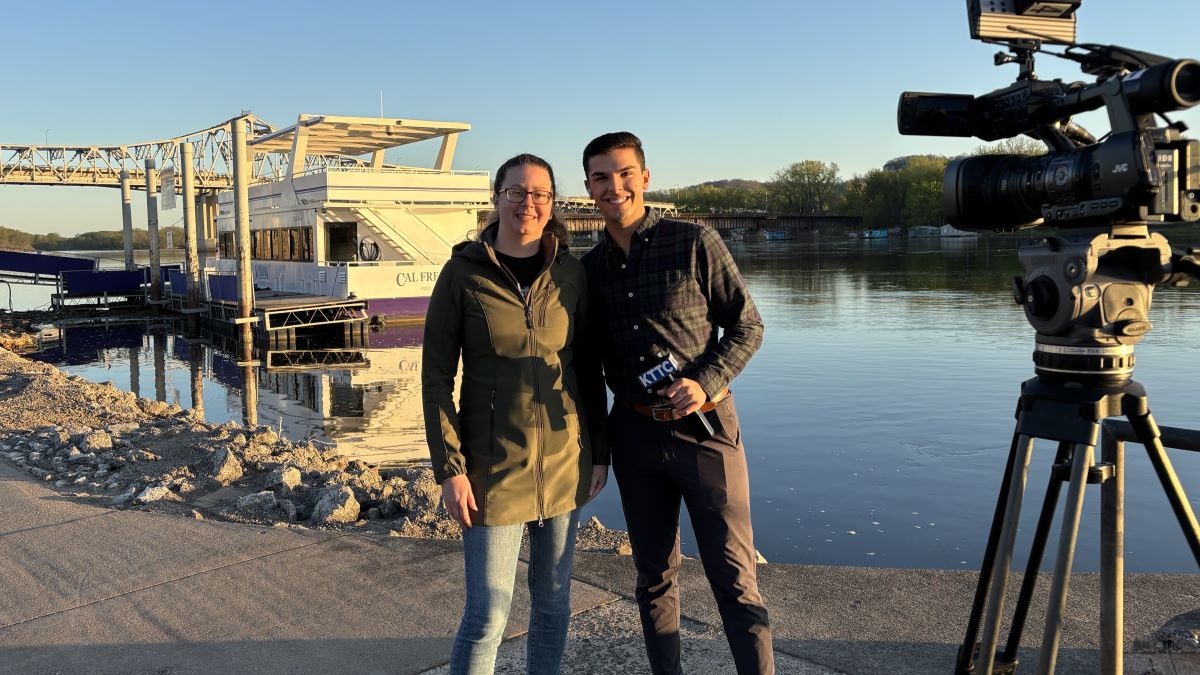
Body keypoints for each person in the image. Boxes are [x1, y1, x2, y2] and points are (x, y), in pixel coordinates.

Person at [579, 132, 774, 675]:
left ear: (644, 177)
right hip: (635, 437)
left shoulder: (694, 242)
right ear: (589, 188)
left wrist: (706, 380)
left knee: (734, 578)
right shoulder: (588, 272)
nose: (612, 186)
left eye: (623, 173)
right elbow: (588, 373)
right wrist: (598, 450)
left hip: (706, 431)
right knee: (654, 577)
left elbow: (748, 326)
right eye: (600, 177)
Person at [422, 153, 609, 675]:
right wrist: (450, 469)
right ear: (497, 197)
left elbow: (586, 368)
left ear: (553, 204)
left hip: (565, 462)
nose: (529, 203)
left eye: (540, 195)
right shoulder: (462, 274)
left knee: (552, 605)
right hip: (492, 466)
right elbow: (436, 378)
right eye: (517, 192)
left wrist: (599, 453)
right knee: (487, 614)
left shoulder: (570, 273)